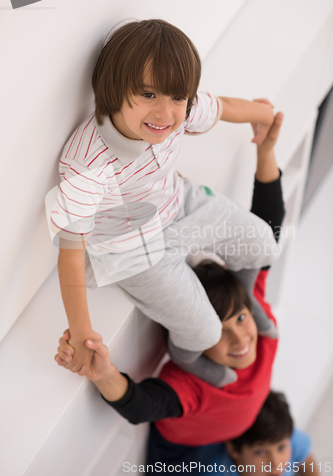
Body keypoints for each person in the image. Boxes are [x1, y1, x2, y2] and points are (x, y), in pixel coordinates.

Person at [50, 18, 280, 380]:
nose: (165, 113)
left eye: (177, 97)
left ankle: (243, 301)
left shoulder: (180, 112)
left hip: (179, 204)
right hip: (132, 250)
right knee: (206, 332)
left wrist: (265, 115)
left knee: (265, 243)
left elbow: (222, 107)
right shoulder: (87, 162)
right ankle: (186, 354)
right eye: (147, 94)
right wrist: (81, 331)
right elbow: (70, 252)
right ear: (113, 87)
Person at [55, 113, 285, 468]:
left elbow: (269, 228)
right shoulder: (195, 384)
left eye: (240, 318)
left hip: (241, 428)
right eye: (221, 332)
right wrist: (102, 372)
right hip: (185, 455)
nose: (240, 338)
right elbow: (142, 405)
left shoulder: (261, 328)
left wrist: (266, 151)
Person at [223, 391, 319, 476]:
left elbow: (305, 459)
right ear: (233, 449)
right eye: (260, 452)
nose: (275, 464)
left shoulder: (280, 436)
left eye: (281, 448)